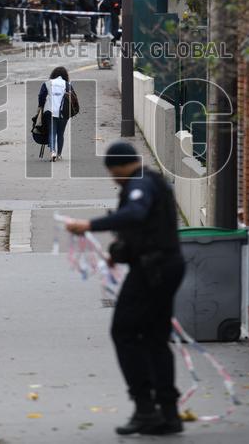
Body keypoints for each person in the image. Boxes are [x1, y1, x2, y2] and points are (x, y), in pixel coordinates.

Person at [64, 142, 185, 436]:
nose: (112, 178)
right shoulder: (153, 182)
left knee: (124, 332)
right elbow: (147, 230)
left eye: (112, 173)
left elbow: (135, 214)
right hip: (166, 265)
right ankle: (168, 414)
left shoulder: (139, 185)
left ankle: (145, 409)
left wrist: (89, 225)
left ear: (119, 167)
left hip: (152, 272)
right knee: (156, 340)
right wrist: (119, 252)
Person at [38, 66, 73, 161]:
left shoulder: (47, 83)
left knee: (52, 132)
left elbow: (41, 96)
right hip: (64, 112)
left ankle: (52, 151)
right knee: (60, 133)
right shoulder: (67, 84)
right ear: (65, 75)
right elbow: (72, 98)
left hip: (50, 111)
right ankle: (59, 154)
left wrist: (40, 106)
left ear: (53, 75)